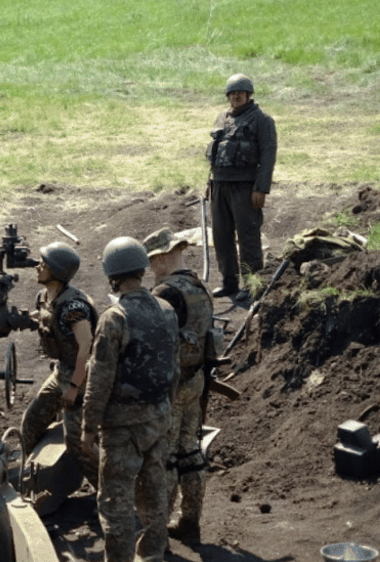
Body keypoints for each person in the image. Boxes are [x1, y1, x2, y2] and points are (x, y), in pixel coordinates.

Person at [81, 237, 178, 562]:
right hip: (159, 419)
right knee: (155, 496)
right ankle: (152, 556)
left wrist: (89, 427)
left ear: (113, 274)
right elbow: (172, 366)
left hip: (122, 429)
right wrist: (168, 411)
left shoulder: (115, 317)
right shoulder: (166, 310)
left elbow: (100, 377)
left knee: (116, 504)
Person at [143, 227, 215, 543]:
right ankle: (190, 520)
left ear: (165, 256)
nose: (151, 266)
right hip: (197, 378)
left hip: (171, 384)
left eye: (155, 258)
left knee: (166, 456)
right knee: (191, 451)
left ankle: (157, 528)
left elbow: (151, 342)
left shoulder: (165, 293)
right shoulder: (200, 286)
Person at [19, 242, 99, 489]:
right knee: (30, 424)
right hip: (61, 373)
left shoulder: (74, 307)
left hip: (81, 379)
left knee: (78, 445)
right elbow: (49, 320)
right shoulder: (43, 298)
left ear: (57, 272)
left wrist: (74, 388)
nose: (37, 266)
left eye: (44, 264)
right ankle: (38, 482)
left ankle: (109, 495)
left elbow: (85, 349)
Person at [205, 73, 277, 299]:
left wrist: (261, 188)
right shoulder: (221, 118)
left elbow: (268, 155)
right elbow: (217, 152)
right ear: (228, 96)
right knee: (221, 236)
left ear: (248, 95)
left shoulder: (262, 120)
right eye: (232, 93)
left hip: (245, 187)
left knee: (247, 235)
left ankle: (252, 283)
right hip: (219, 185)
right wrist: (210, 182)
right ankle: (229, 282)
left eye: (241, 93)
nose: (236, 96)